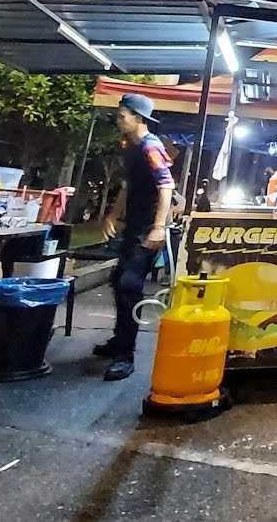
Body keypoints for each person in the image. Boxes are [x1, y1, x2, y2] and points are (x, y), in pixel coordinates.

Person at [96, 94, 175, 381]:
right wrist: (113, 214)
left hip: (147, 229)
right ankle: (119, 341)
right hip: (134, 226)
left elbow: (166, 187)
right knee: (119, 281)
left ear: (139, 118)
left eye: (123, 116)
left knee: (129, 284)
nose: (119, 121)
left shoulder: (151, 147)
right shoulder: (133, 147)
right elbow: (129, 186)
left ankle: (125, 356)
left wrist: (158, 227)